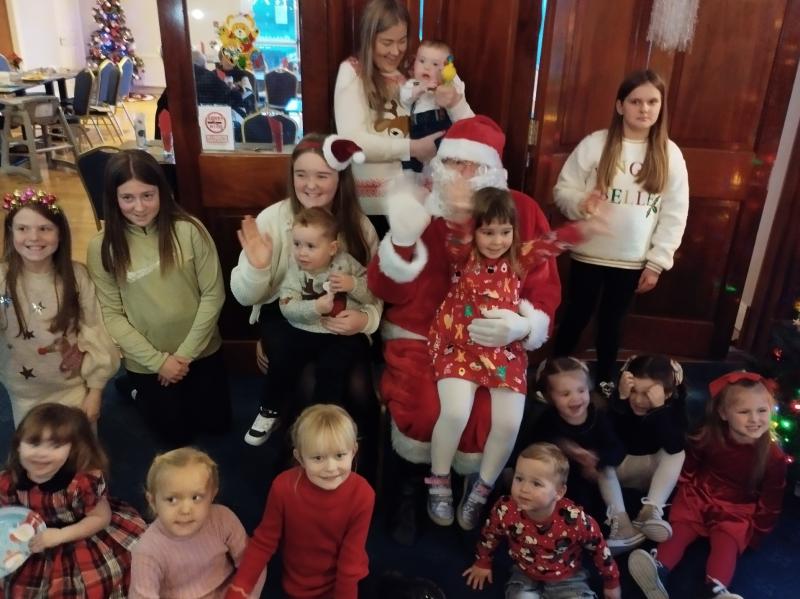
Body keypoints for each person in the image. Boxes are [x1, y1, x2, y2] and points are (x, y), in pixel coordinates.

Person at [367, 115, 562, 542]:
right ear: (439, 165)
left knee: (494, 414)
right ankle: (413, 486)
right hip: (420, 335)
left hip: (494, 339)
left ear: (493, 170)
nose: (462, 174)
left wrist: (523, 324)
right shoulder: (421, 206)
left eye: (474, 165)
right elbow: (382, 287)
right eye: (454, 162)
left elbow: (543, 284)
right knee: (427, 406)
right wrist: (401, 241)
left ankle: (476, 489)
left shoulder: (522, 211)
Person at [426, 187, 595, 530]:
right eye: (488, 232)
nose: (497, 241)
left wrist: (591, 225)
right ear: (475, 231)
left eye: (505, 232)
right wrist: (457, 203)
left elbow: (555, 242)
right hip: (460, 344)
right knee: (455, 412)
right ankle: (439, 481)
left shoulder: (519, 256)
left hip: (503, 350)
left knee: (508, 423)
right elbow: (455, 231)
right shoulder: (463, 254)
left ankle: (482, 488)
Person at [230, 134, 379, 448]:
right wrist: (258, 268)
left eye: (322, 175)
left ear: (340, 178)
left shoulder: (360, 227)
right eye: (301, 175)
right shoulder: (272, 219)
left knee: (358, 387)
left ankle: (354, 456)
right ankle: (301, 454)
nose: (310, 185)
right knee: (307, 380)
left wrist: (366, 321)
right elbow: (245, 297)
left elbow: (374, 290)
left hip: (341, 313)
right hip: (285, 310)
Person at [551, 69, 689, 393]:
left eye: (652, 102)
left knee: (612, 324)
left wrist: (657, 261)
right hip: (589, 254)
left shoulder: (670, 154)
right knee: (576, 316)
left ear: (661, 106)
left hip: (631, 260)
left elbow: (675, 213)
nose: (644, 109)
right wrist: (581, 202)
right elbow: (563, 190)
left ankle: (605, 380)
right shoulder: (595, 144)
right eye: (635, 101)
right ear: (620, 106)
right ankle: (554, 373)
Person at [87, 149, 231, 447]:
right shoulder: (102, 246)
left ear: (161, 192)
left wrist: (184, 356)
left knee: (217, 425)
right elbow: (111, 314)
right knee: (175, 437)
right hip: (149, 362)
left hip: (200, 351)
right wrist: (158, 362)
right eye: (128, 198)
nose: (139, 207)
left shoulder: (189, 230)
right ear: (113, 198)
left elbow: (213, 294)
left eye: (147, 195)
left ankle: (141, 388)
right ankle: (135, 389)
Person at [629, 372, 787, 599]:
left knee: (726, 542)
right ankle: (658, 569)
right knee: (680, 528)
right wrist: (683, 488)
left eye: (762, 410)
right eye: (744, 412)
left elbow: (771, 500)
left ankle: (715, 589)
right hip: (700, 494)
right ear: (723, 413)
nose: (755, 419)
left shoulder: (773, 456)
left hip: (736, 508)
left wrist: (757, 533)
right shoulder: (709, 436)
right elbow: (691, 465)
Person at [224, 404, 375, 599]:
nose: (331, 467)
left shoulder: (363, 494)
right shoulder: (283, 487)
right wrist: (239, 589)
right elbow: (264, 541)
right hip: (298, 587)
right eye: (318, 458)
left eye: (340, 455)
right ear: (300, 458)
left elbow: (350, 562)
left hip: (348, 584)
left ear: (353, 451)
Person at [0, 403, 146, 597]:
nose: (42, 453)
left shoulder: (81, 483)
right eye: (34, 443)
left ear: (72, 449)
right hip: (31, 541)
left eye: (55, 445)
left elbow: (101, 518)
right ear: (18, 445)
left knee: (92, 585)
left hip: (80, 533)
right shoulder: (9, 481)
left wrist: (60, 535)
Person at [0, 188, 119, 426]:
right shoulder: (2, 280)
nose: (34, 237)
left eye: (45, 229)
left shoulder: (76, 277)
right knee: (36, 447)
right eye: (22, 229)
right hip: (24, 392)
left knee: (80, 446)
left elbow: (95, 329)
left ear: (60, 234)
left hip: (72, 386)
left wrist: (95, 391)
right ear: (11, 233)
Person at [334, 0, 449, 222]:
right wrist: (413, 148)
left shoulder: (410, 74)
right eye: (387, 42)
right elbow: (352, 141)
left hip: (416, 202)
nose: (396, 51)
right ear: (369, 39)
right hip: (373, 208)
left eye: (402, 41)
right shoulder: (353, 71)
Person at [462, 442, 621, 599]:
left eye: (536, 483)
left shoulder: (575, 519)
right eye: (519, 478)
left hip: (568, 578)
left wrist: (611, 582)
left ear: (558, 492)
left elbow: (599, 548)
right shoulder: (505, 509)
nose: (524, 489)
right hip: (524, 573)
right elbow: (490, 534)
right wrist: (483, 562)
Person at [527, 357, 636, 553]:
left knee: (606, 489)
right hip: (564, 483)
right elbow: (535, 452)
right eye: (565, 394)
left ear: (589, 389)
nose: (576, 399)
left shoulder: (598, 416)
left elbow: (617, 449)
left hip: (597, 481)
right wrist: (567, 450)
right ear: (550, 397)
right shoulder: (547, 421)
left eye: (581, 390)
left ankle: (621, 526)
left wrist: (596, 459)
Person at [130, 447, 265, 598]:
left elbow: (252, 563)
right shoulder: (147, 552)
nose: (186, 510)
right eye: (172, 499)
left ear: (212, 495)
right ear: (153, 502)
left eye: (196, 497)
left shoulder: (224, 519)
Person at [605, 355, 688, 546]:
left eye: (648, 394)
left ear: (667, 394)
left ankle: (650, 511)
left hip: (651, 474)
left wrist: (659, 409)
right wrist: (621, 399)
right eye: (633, 391)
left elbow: (674, 446)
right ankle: (621, 521)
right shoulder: (621, 402)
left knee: (677, 453)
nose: (638, 400)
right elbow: (607, 436)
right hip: (619, 470)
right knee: (602, 456)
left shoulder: (672, 409)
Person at [398, 40, 474, 174]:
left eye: (435, 64)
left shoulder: (448, 85)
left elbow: (457, 95)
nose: (426, 67)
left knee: (445, 163)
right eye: (421, 61)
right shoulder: (412, 84)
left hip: (441, 136)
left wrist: (447, 82)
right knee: (409, 164)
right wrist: (421, 88)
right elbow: (404, 97)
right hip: (416, 135)